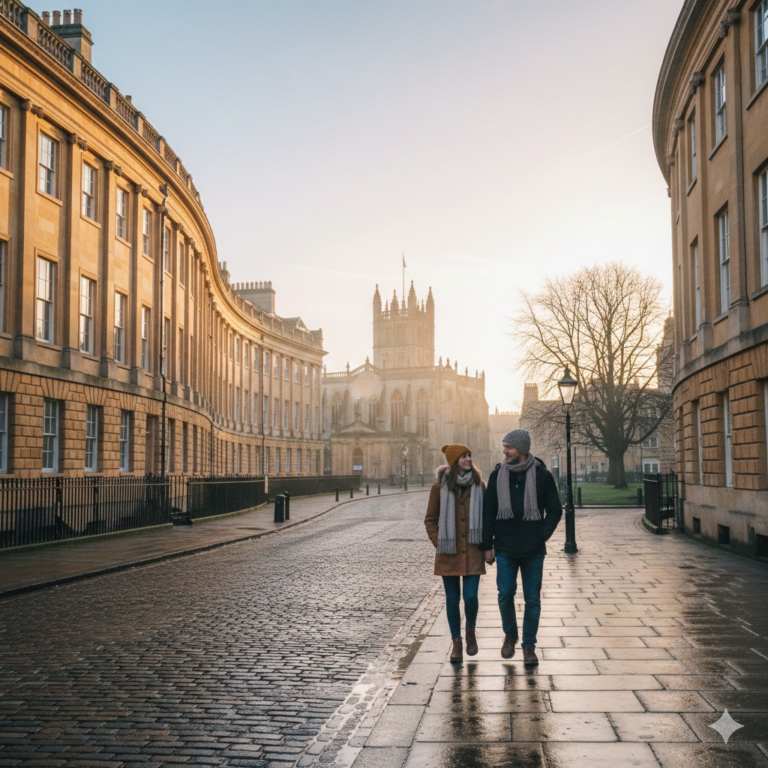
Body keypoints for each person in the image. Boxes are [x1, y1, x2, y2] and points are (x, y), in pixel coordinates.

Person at [482, 429, 562, 666]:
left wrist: (541, 535)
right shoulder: (497, 476)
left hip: (533, 550)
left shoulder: (542, 476)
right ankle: (510, 634)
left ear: (522, 449)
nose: (504, 451)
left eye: (509, 447)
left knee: (532, 599)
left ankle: (528, 645)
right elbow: (488, 512)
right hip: (505, 547)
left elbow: (555, 510)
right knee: (505, 593)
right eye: (504, 446)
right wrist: (487, 545)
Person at [424, 443, 486, 664]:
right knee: (452, 599)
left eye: (469, 455)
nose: (468, 459)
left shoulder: (479, 485)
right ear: (454, 461)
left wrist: (488, 545)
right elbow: (430, 520)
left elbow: (488, 518)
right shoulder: (438, 488)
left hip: (473, 551)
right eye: (463, 456)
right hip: (448, 553)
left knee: (470, 597)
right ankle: (456, 642)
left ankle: (470, 632)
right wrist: (440, 542)